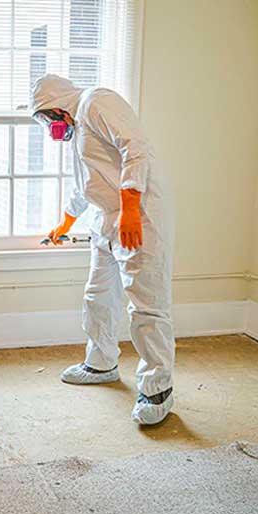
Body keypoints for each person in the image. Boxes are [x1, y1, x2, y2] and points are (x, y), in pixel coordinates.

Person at [32, 74, 175, 425]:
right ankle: (101, 364)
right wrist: (65, 224)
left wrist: (129, 209)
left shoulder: (97, 101)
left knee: (146, 305)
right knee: (98, 296)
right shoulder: (78, 128)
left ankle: (158, 389)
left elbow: (135, 147)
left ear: (60, 103)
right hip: (106, 218)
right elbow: (87, 184)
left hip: (138, 214)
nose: (51, 125)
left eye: (49, 116)